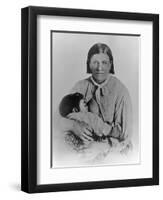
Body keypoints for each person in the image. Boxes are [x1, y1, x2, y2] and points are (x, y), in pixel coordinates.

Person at [58, 43, 133, 154]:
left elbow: (125, 136)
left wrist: (102, 147)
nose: (99, 68)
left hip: (115, 149)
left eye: (104, 62)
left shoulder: (121, 91)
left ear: (110, 64)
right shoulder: (80, 86)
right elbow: (60, 117)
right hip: (84, 147)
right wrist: (74, 126)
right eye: (95, 62)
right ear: (89, 64)